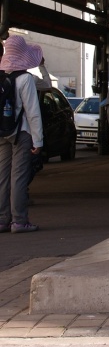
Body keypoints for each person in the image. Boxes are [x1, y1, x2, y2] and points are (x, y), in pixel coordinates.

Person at [0, 35, 44, 233]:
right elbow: (33, 112)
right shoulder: (25, 79)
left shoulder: (1, 77)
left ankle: (2, 220)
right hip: (22, 132)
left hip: (2, 132)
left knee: (3, 177)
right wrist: (39, 140)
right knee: (19, 176)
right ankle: (19, 221)